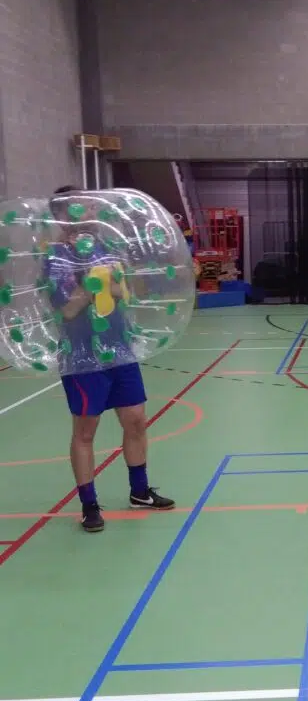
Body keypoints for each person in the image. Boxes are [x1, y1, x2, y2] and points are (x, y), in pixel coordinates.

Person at [44, 186, 175, 532]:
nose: (90, 212)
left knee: (136, 421)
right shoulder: (56, 257)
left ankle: (140, 491)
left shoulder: (104, 248)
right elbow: (66, 310)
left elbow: (124, 292)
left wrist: (110, 286)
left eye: (91, 206)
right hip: (82, 357)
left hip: (120, 349)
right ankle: (89, 504)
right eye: (82, 207)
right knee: (85, 430)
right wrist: (91, 287)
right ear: (63, 215)